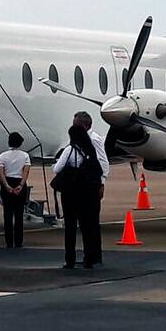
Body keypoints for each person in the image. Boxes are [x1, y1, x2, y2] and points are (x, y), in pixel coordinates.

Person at [52, 124, 102, 269]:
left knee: (70, 226)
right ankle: (89, 258)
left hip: (71, 192)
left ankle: (70, 260)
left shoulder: (70, 149)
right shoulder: (90, 150)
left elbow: (57, 168)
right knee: (87, 226)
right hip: (87, 193)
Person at [72, 111, 109, 266]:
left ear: (83, 125)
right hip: (83, 185)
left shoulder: (94, 139)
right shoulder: (79, 140)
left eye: (75, 124)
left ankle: (95, 256)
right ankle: (91, 255)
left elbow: (103, 161)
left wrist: (102, 182)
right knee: (87, 223)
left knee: (92, 222)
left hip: (92, 185)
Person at [0, 132, 31, 248]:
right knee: (19, 215)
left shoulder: (2, 156)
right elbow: (25, 171)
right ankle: (19, 241)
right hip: (19, 182)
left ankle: (9, 242)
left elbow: (1, 172)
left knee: (7, 214)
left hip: (8, 182)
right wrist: (21, 185)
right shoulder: (25, 156)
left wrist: (6, 186)